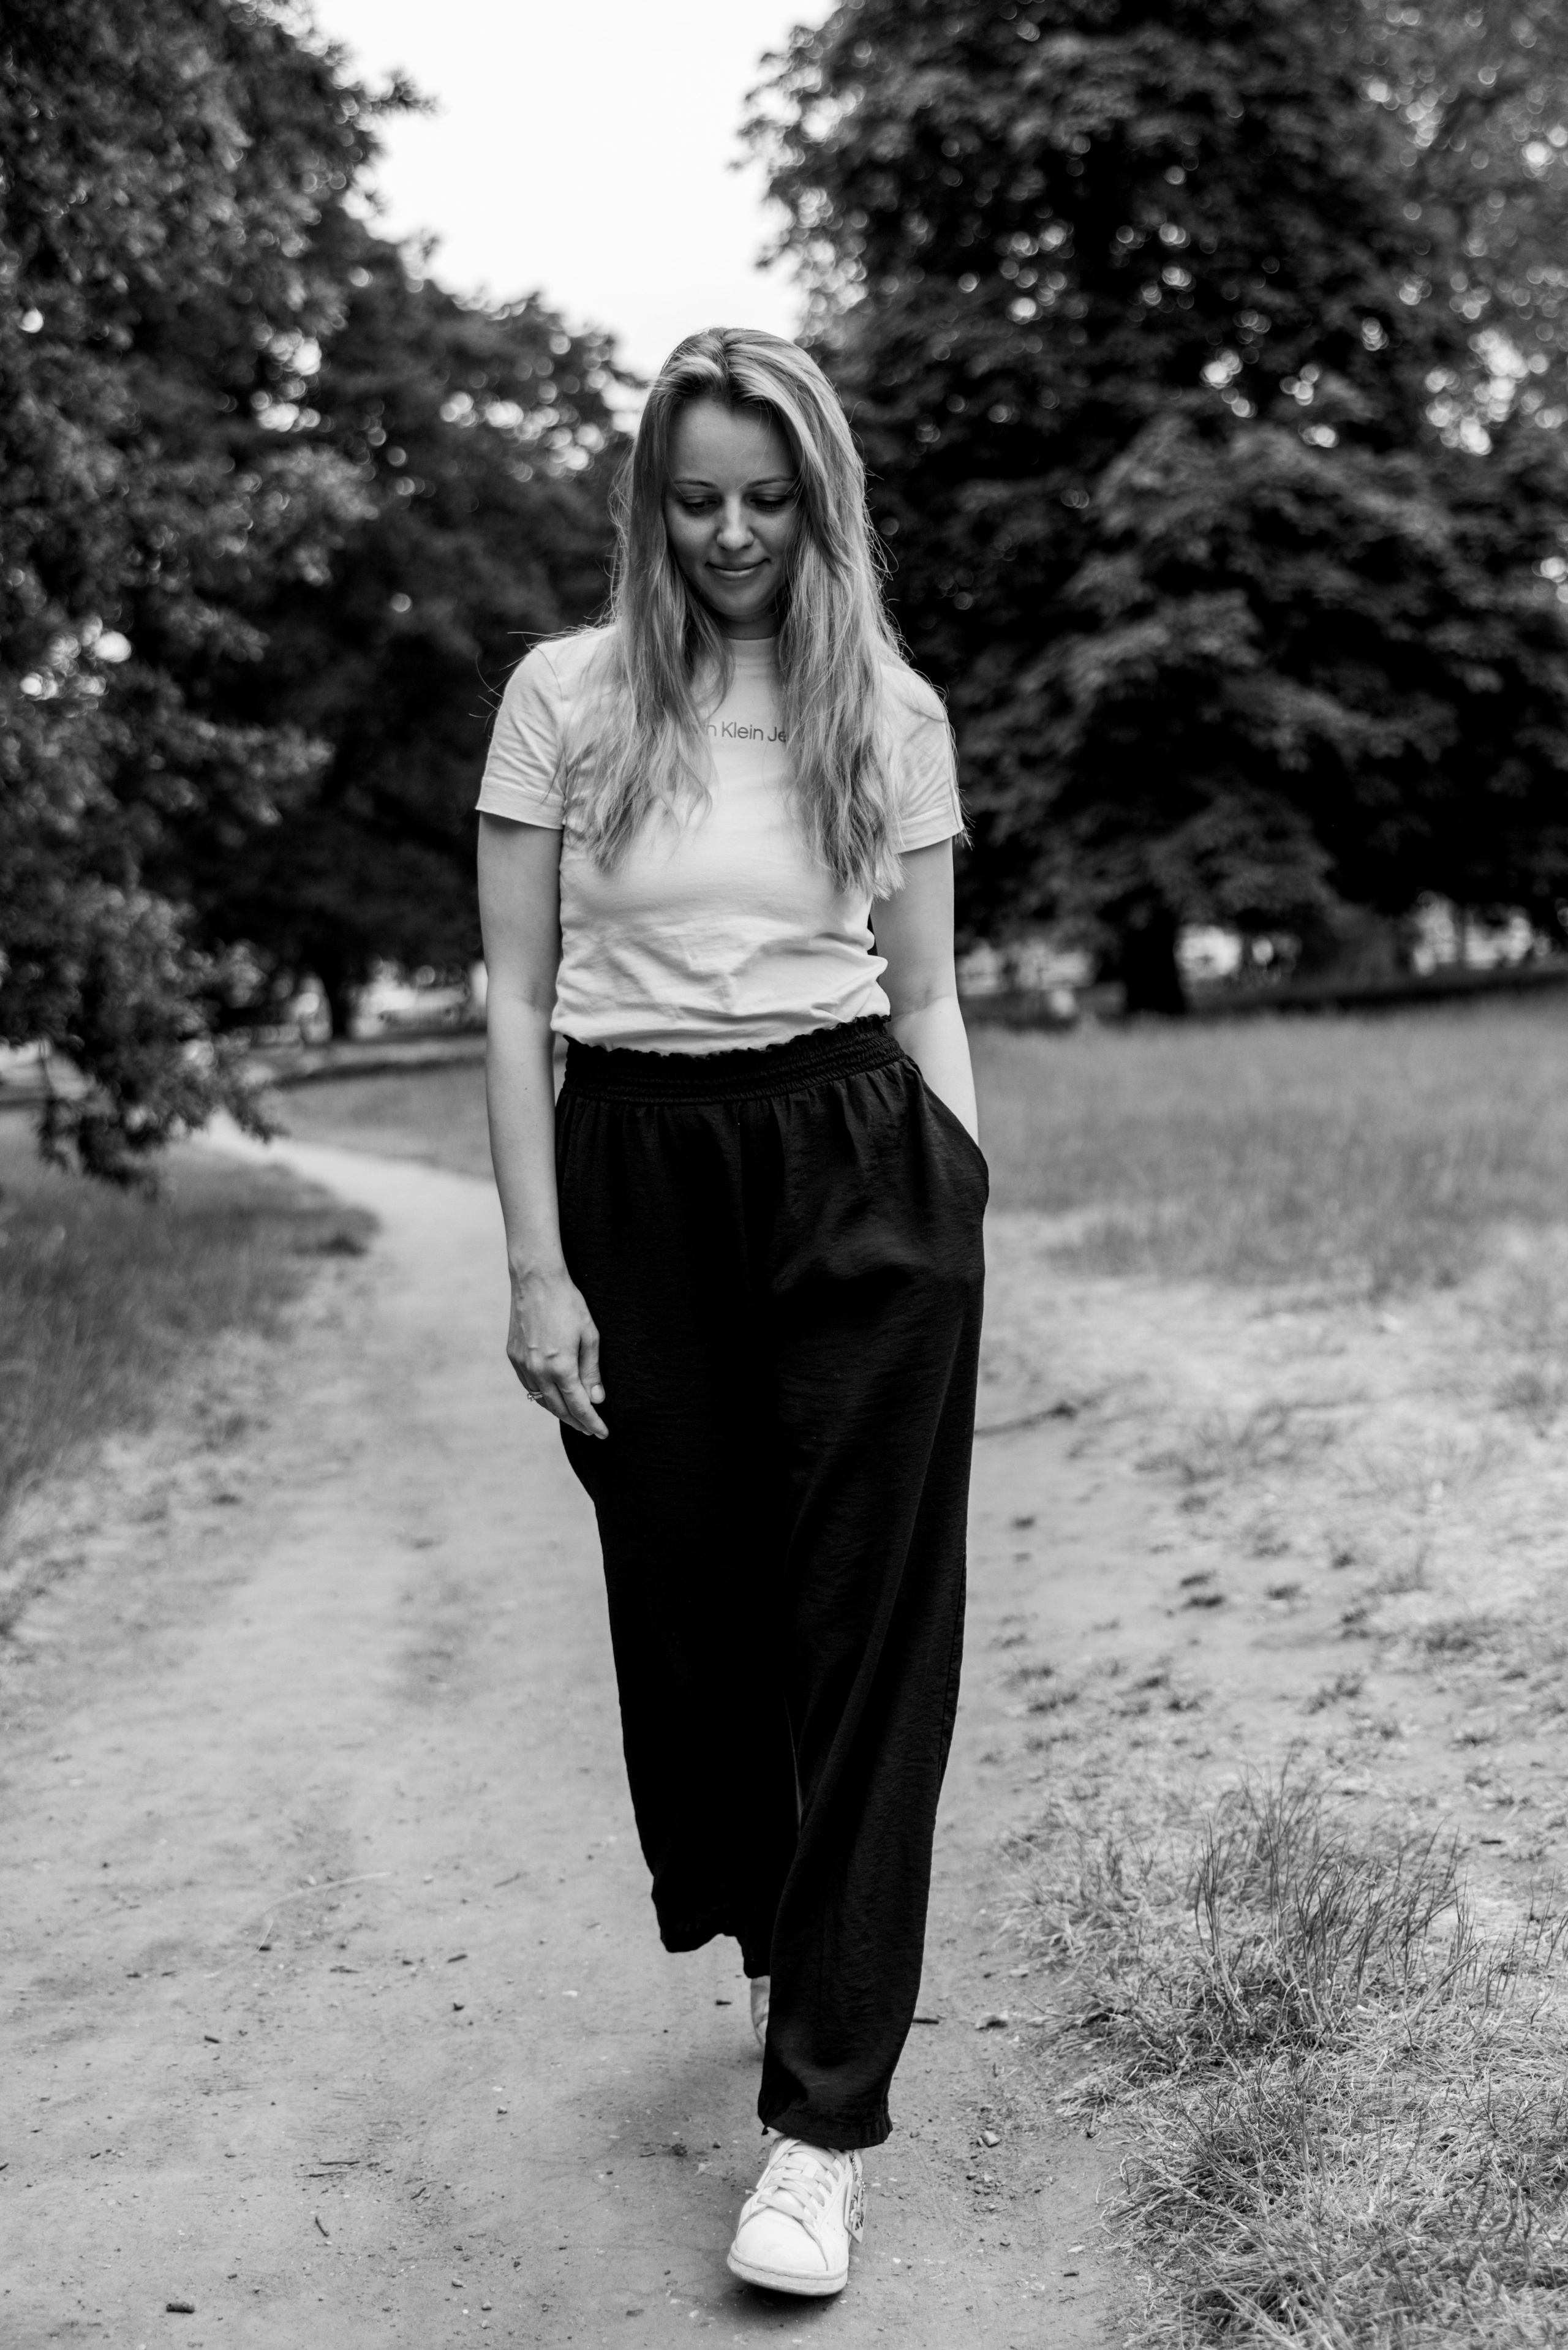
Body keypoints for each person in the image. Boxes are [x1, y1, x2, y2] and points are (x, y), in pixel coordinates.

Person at [476, 326, 986, 2302]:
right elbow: (516, 996)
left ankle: (821, 2129)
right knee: (698, 1635)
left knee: (868, 1639)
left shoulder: (888, 709)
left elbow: (925, 989)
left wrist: (960, 1199)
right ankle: (782, 1937)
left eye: (770, 499)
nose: (734, 535)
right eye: (696, 500)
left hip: (857, 1153)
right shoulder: (569, 698)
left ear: (820, 500)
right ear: (649, 502)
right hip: (636, 1169)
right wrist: (538, 1266)